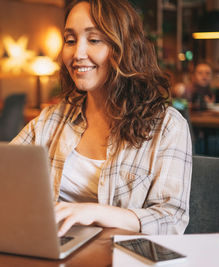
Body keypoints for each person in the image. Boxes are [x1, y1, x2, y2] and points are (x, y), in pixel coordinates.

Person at [11, 0, 192, 235]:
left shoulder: (167, 126)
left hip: (121, 256)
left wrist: (94, 212)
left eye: (94, 40)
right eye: (70, 40)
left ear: (124, 47)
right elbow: (1, 175)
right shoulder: (52, 119)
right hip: (54, 247)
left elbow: (171, 220)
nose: (78, 53)